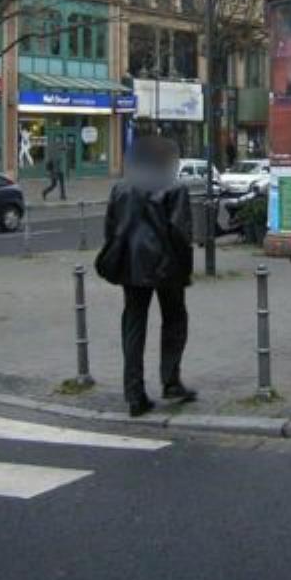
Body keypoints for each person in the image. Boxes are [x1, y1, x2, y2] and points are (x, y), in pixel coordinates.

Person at [95, 136, 196, 417]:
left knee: (134, 323)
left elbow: (110, 229)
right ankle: (171, 380)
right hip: (168, 265)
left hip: (132, 264)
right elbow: (181, 233)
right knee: (174, 320)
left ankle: (134, 393)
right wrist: (186, 269)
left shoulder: (121, 187)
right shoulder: (175, 187)